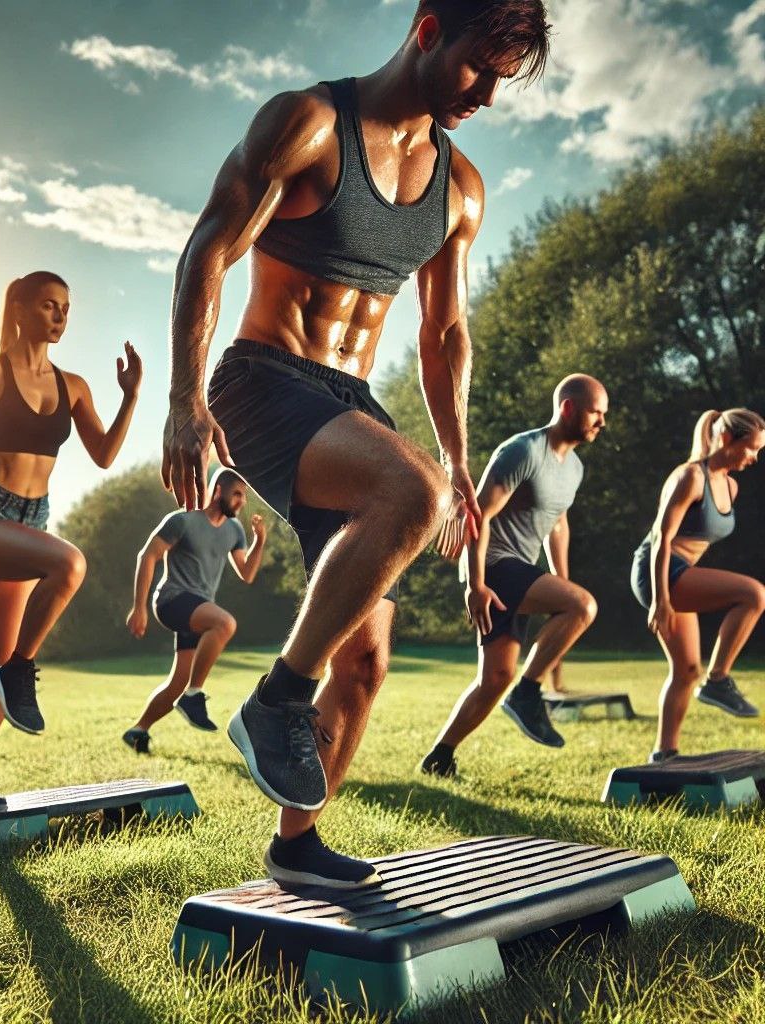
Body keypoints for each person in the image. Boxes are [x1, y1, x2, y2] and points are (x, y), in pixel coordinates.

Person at [161, 1, 550, 886]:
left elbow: (444, 334)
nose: (486, 94)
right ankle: (276, 701)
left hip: (350, 402)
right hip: (261, 381)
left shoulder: (462, 187)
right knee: (410, 494)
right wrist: (185, 398)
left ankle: (297, 847)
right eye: (477, 68)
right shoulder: (309, 123)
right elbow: (208, 252)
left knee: (368, 659)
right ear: (426, 29)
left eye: (501, 79)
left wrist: (458, 458)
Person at [0, 271, 142, 805]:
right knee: (69, 565)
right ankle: (23, 669)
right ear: (20, 309)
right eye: (49, 305)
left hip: (30, 522)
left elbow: (105, 455)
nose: (61, 316)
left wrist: (131, 397)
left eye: (66, 307)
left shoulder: (74, 386)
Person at [420, 375, 607, 777]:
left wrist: (563, 581)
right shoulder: (523, 450)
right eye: (596, 412)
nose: (601, 422)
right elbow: (478, 514)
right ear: (569, 408)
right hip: (494, 566)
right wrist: (474, 583)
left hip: (521, 569)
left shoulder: (573, 467)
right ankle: (528, 694)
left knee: (495, 677)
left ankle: (440, 757)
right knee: (584, 606)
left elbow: (558, 525)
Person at [631, 408, 765, 761]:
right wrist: (661, 600)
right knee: (753, 594)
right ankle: (718, 681)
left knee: (687, 669)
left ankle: (664, 753)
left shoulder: (731, 486)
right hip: (657, 570)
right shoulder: (690, 477)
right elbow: (662, 538)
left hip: (681, 571)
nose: (754, 458)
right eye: (751, 448)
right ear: (726, 439)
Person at [123, 470, 268, 751]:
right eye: (237, 493)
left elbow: (247, 573)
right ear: (218, 491)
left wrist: (259, 540)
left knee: (177, 682)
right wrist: (138, 607)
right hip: (172, 600)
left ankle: (138, 729)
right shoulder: (183, 520)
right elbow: (148, 555)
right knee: (224, 624)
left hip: (199, 610)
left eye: (244, 496)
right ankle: (194, 696)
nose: (242, 501)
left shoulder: (234, 530)